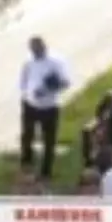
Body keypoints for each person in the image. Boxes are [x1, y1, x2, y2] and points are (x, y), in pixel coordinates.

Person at [18, 36, 71, 178]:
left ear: (44, 47)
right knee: (27, 136)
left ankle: (46, 171)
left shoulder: (56, 62)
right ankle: (26, 163)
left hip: (49, 107)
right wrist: (26, 94)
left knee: (48, 140)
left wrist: (47, 90)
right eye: (33, 50)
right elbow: (23, 80)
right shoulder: (28, 62)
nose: (36, 52)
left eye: (38, 49)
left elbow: (65, 82)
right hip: (30, 105)